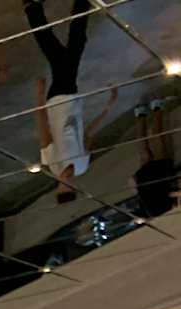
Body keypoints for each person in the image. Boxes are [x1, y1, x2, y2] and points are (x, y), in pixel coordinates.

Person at [23, 0, 116, 203]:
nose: (65, 183)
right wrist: (109, 106)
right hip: (72, 98)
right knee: (60, 50)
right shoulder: (82, 166)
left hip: (57, 100)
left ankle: (68, 7)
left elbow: (43, 128)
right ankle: (34, 8)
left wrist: (39, 95)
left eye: (61, 187)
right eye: (69, 187)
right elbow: (88, 134)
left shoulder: (53, 165)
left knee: (71, 48)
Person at [133, 100, 179, 220]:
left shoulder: (163, 210)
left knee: (158, 141)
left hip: (160, 175)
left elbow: (170, 193)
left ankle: (156, 108)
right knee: (143, 149)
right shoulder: (149, 211)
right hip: (144, 179)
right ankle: (140, 115)